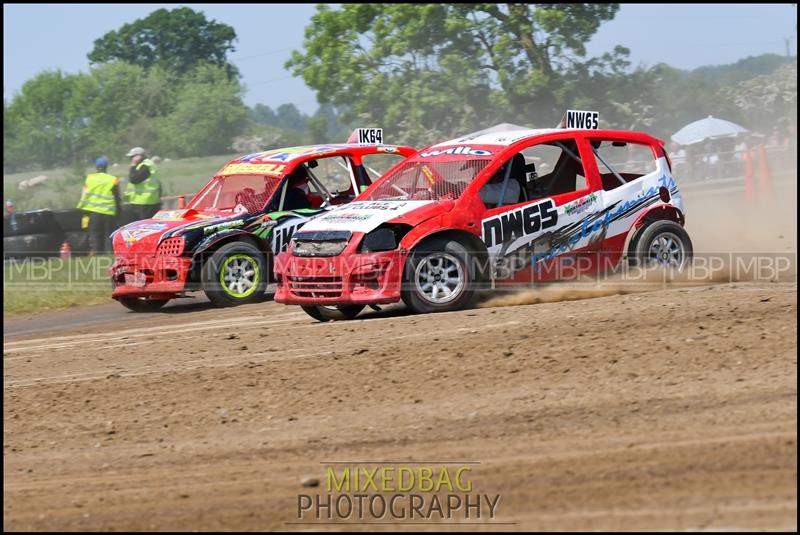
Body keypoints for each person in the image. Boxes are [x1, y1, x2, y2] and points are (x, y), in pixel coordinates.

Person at [76, 157, 122, 254]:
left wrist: (85, 211)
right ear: (106, 167)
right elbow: (117, 197)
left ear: (96, 167)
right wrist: (118, 211)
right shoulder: (113, 179)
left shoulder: (89, 178)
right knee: (108, 235)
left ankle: (97, 254)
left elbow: (84, 195)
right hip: (109, 212)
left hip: (94, 212)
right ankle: (110, 254)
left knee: (96, 234)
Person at [125, 147, 162, 220]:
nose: (131, 159)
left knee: (143, 226)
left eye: (132, 157)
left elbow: (134, 179)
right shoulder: (146, 164)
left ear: (139, 156)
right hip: (148, 201)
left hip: (144, 202)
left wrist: (132, 166)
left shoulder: (145, 166)